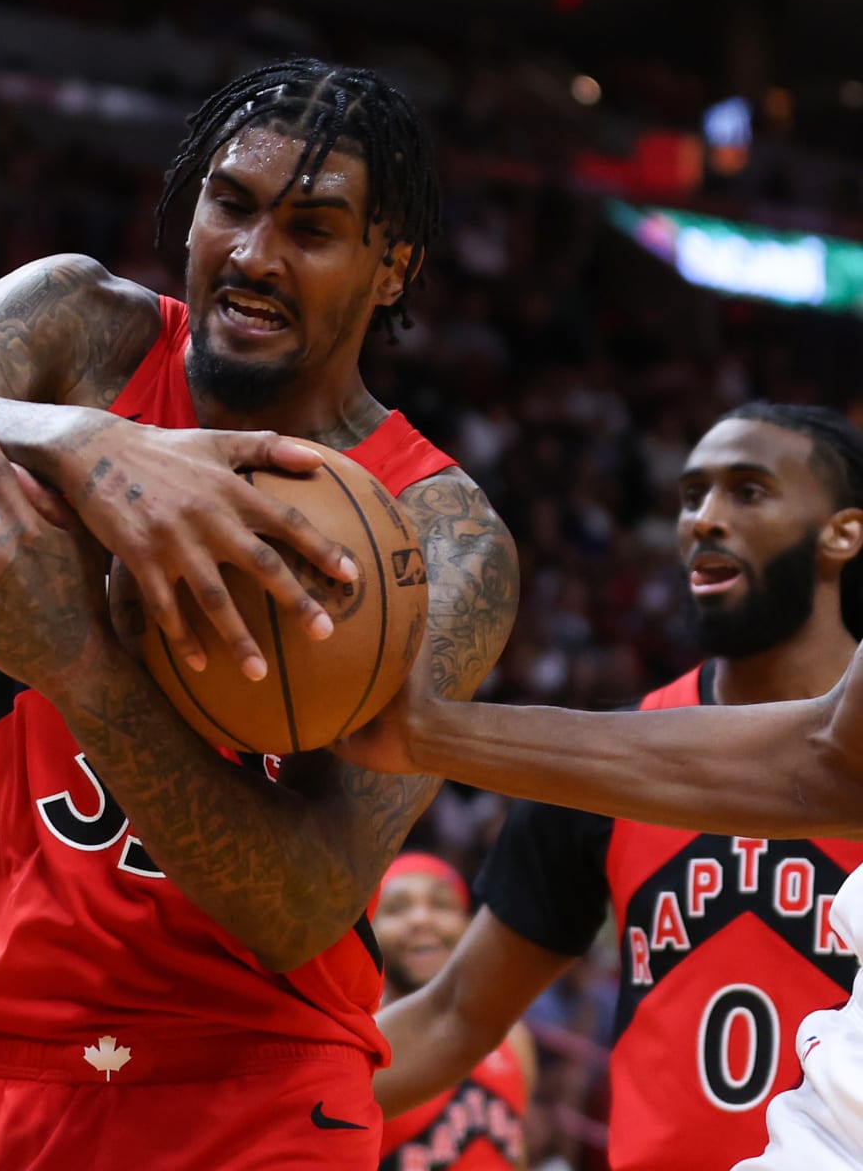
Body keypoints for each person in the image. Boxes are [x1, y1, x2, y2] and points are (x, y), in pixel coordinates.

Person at [0, 57, 520, 1168]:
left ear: (391, 266)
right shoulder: (86, 339)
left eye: (312, 228)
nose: (254, 257)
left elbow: (305, 903)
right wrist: (85, 443)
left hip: (259, 1088)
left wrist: (79, 663)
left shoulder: (442, 540)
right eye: (233, 203)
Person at [342, 409, 863, 1171]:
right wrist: (244, 1103)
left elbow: (818, 757)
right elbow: (455, 1016)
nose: (706, 520)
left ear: (843, 533)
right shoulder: (593, 763)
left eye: (749, 492)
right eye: (691, 496)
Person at [374, 852, 532, 1171]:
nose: (421, 919)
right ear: (369, 928)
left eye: (441, 905)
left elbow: (516, 1154)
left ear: (470, 924)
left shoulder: (512, 1035)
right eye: (397, 908)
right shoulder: (355, 1043)